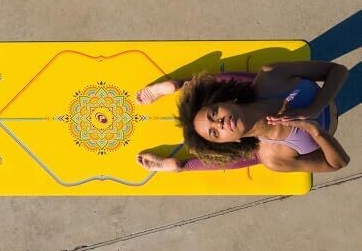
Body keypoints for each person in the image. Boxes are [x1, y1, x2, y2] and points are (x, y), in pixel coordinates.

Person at [135, 61, 350, 173]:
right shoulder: (272, 157)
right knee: (249, 156)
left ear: (226, 102)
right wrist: (315, 131)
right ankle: (181, 166)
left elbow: (338, 70)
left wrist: (314, 108)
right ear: (231, 141)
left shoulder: (272, 76)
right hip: (276, 140)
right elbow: (338, 163)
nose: (219, 123)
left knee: (247, 82)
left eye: (214, 114)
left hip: (314, 97)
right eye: (215, 133)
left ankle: (181, 84)